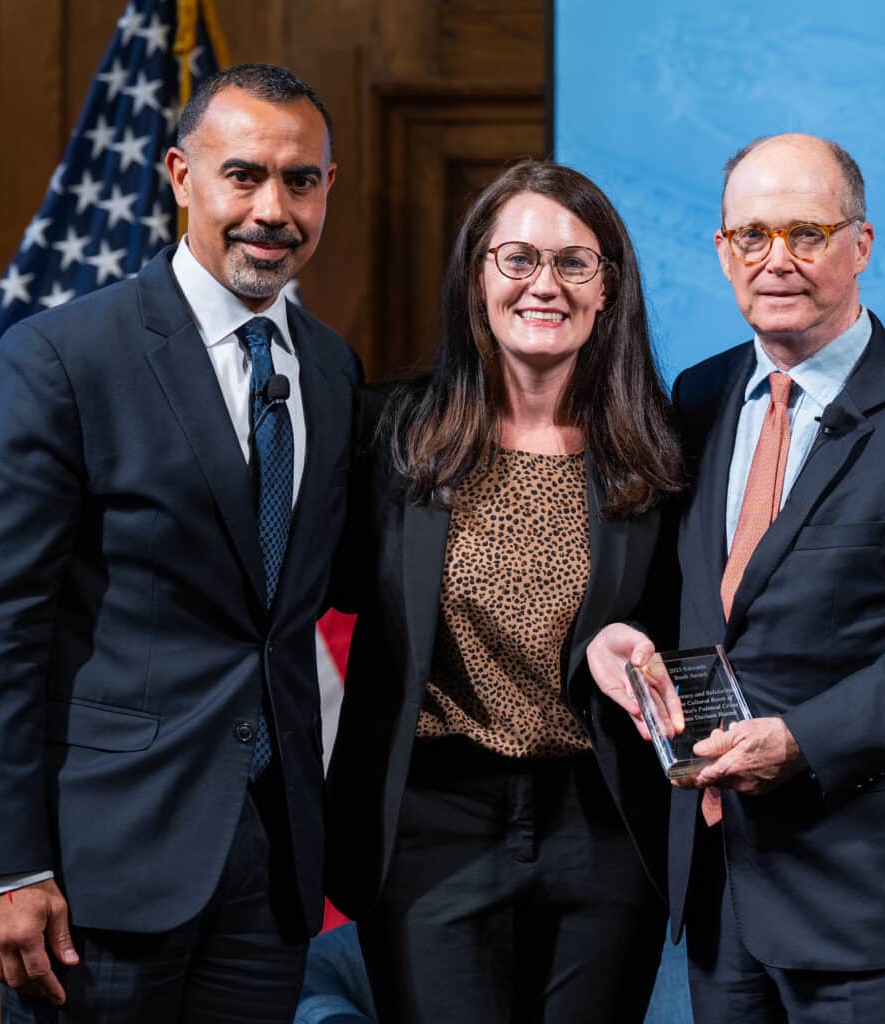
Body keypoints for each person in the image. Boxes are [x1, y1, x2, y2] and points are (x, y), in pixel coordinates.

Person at [0, 63, 360, 1022]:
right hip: (98, 873)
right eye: (242, 175)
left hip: (271, 872)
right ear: (180, 176)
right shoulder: (61, 357)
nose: (272, 210)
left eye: (300, 181)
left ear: (327, 188)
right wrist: (5, 866)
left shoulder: (332, 369)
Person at [586, 133, 885, 1023]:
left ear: (860, 245)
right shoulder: (700, 396)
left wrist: (803, 739)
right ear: (723, 252)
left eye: (806, 233)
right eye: (751, 235)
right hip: (720, 892)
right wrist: (618, 636)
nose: (776, 260)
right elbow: (697, 595)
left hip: (874, 903)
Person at [324, 160, 683, 1023]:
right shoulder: (388, 432)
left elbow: (689, 625)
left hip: (603, 823)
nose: (544, 285)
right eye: (517, 258)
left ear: (608, 288)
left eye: (573, 263)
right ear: (476, 276)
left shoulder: (660, 449)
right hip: (431, 822)